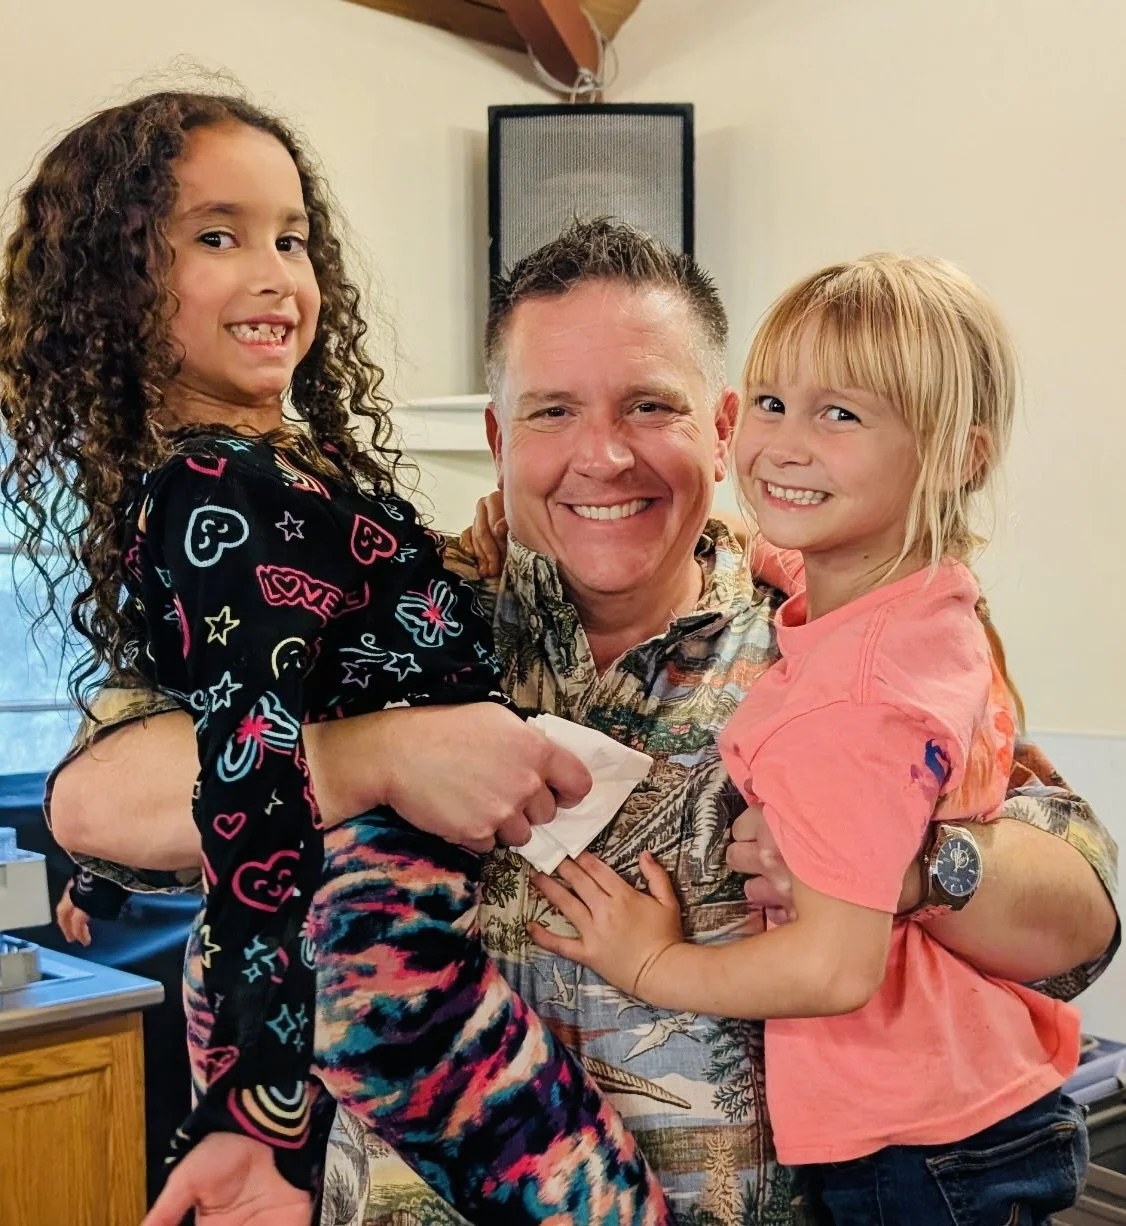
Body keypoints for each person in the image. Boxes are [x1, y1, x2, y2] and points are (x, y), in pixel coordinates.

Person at [46, 220, 1119, 1226]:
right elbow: (95, 802)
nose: (603, 456)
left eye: (649, 405)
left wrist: (917, 865)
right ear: (497, 435)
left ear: (724, 425)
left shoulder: (842, 631)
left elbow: (1078, 924)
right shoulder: (375, 620)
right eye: (553, 411)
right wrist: (378, 750)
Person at [0, 97, 673, 1226]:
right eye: (216, 235)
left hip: (379, 957)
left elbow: (333, 668)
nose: (272, 272)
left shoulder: (279, 479)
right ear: (115, 289)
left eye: (290, 236)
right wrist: (252, 1113)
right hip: (387, 959)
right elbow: (249, 780)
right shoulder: (220, 490)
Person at [528, 253, 1088, 1223]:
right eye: (777, 404)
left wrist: (654, 966)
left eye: (842, 414)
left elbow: (835, 964)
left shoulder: (851, 696)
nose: (786, 442)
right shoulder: (910, 608)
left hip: (915, 1151)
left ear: (961, 454)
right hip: (955, 1103)